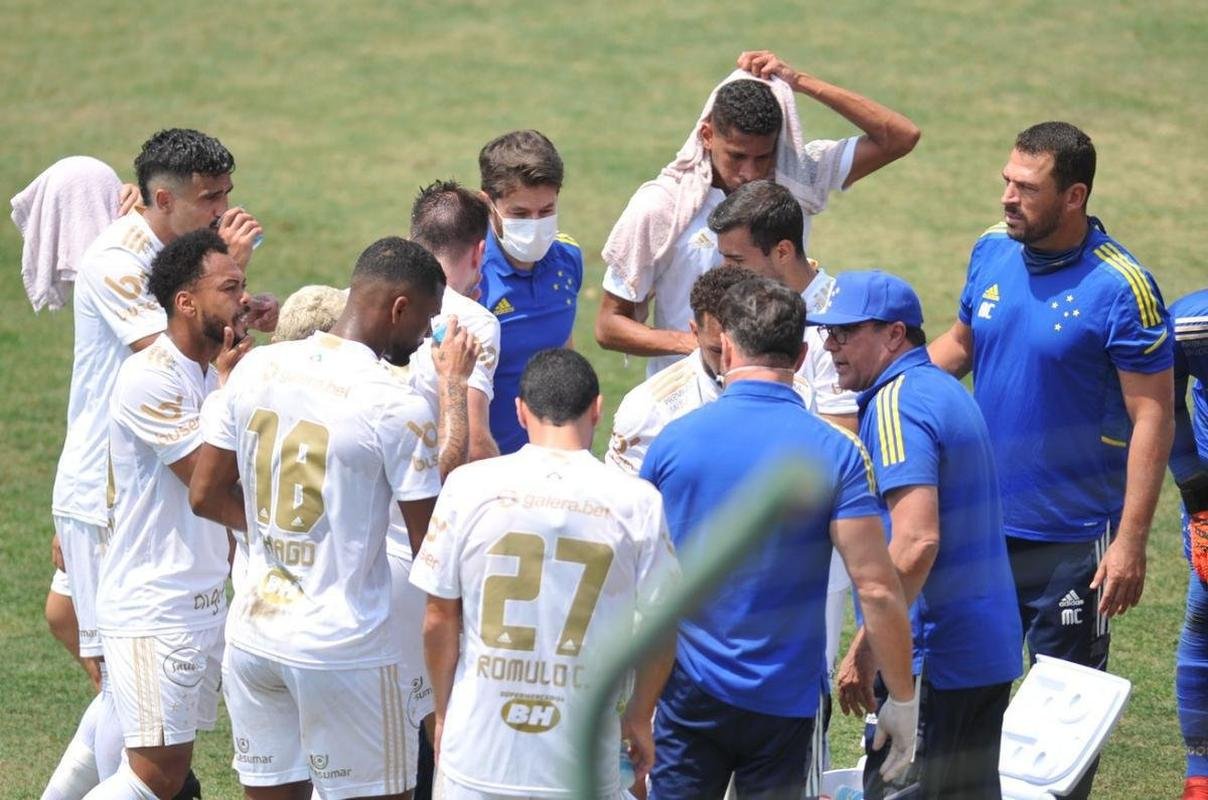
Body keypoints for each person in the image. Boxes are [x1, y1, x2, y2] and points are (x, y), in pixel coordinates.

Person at [928, 121, 1176, 798]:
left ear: (1074, 195)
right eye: (1007, 180)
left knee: (1063, 715)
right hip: (978, 528)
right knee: (965, 691)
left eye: (1026, 187)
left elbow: (1152, 414)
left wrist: (1128, 544)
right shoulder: (990, 250)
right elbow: (959, 344)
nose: (1008, 197)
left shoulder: (1123, 287)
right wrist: (888, 394)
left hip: (1072, 542)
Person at [44, 129, 272, 800]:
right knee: (133, 710)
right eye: (210, 198)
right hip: (113, 488)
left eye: (227, 193)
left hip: (148, 483)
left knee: (131, 704)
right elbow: (175, 340)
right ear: (163, 197)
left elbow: (206, 336)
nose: (223, 208)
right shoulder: (121, 262)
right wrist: (225, 267)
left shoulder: (177, 256)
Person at [640, 277, 917, 799]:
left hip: (687, 693)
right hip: (784, 699)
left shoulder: (672, 442)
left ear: (725, 345)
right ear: (804, 351)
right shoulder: (837, 452)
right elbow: (877, 588)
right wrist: (901, 698)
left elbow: (638, 578)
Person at [190, 236, 444, 800]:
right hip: (344, 650)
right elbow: (432, 547)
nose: (427, 337)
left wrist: (267, 534)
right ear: (399, 307)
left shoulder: (259, 368)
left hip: (254, 637)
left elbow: (204, 494)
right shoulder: (395, 401)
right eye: (427, 319)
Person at [409, 348, 680, 799]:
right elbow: (662, 628)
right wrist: (638, 714)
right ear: (597, 408)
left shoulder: (469, 486)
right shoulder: (637, 501)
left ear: (519, 411)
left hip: (477, 753)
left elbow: (438, 618)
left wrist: (443, 710)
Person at [814, 270, 1022, 799]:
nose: (831, 346)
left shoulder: (895, 404)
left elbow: (915, 541)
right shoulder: (938, 388)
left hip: (935, 659)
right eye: (826, 333)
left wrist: (867, 646)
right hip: (981, 652)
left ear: (894, 334)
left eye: (846, 332)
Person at [596, 49, 920, 377]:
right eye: (736, 156)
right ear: (707, 136)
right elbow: (609, 325)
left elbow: (901, 137)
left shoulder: (798, 177)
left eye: (763, 156)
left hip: (784, 392)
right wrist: (704, 345)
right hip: (689, 401)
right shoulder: (663, 207)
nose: (750, 172)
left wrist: (800, 82)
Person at [82, 229, 252, 800]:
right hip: (156, 604)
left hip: (201, 600)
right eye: (229, 287)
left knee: (168, 774)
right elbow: (208, 480)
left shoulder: (213, 368)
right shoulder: (150, 377)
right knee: (154, 778)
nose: (243, 300)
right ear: (186, 301)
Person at [706, 178, 857, 431]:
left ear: (783, 252)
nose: (725, 271)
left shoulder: (836, 326)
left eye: (737, 259)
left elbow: (842, 436)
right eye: (723, 257)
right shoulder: (745, 303)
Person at [475, 131, 583, 454]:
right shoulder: (470, 278)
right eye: (520, 214)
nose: (535, 224)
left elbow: (563, 348)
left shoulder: (568, 259)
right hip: (489, 469)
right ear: (488, 204)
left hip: (556, 462)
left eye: (546, 211)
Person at [1168, 289, 1208, 799]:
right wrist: (1197, 495)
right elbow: (1158, 391)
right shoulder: (1194, 323)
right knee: (1204, 615)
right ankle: (1201, 771)